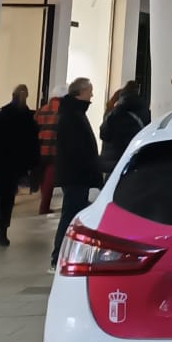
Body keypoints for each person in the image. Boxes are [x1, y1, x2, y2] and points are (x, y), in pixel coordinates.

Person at [0, 84, 41, 247]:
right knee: (9, 197)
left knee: (3, 195)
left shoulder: (1, 114)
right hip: (16, 164)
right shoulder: (29, 118)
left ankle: (2, 228)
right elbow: (34, 143)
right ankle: (3, 228)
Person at [51, 78, 104, 263]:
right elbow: (76, 150)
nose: (92, 95)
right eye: (90, 91)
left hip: (77, 175)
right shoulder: (72, 116)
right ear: (80, 92)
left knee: (74, 215)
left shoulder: (74, 112)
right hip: (76, 176)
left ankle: (67, 254)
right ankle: (58, 256)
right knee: (70, 216)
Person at [99, 82, 147, 171]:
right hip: (125, 162)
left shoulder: (113, 114)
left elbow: (103, 134)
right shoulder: (139, 112)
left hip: (108, 162)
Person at [34, 90, 62, 214]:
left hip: (40, 148)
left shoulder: (41, 110)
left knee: (43, 178)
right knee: (49, 180)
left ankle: (43, 205)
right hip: (54, 149)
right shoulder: (62, 111)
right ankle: (44, 206)